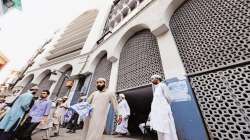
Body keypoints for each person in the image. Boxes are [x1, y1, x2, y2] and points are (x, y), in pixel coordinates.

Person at [149, 75, 178, 140]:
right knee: (160, 128)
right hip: (158, 113)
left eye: (152, 78)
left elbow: (169, 98)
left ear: (158, 79)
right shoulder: (156, 88)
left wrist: (164, 107)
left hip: (164, 112)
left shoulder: (163, 85)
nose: (151, 80)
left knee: (166, 128)